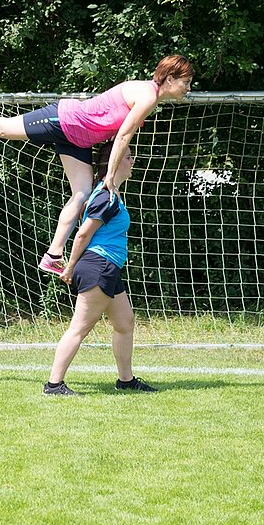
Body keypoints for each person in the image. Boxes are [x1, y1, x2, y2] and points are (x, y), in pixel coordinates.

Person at [0, 55, 194, 275]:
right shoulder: (147, 95)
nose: (188, 88)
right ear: (169, 79)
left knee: (81, 195)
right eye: (186, 82)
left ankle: (53, 256)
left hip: (79, 141)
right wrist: (107, 178)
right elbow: (123, 136)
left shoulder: (150, 97)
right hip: (65, 120)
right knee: (1, 129)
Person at [42, 141, 156, 396]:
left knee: (125, 323)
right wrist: (70, 267)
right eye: (127, 157)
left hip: (108, 267)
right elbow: (83, 235)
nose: (132, 161)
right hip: (98, 266)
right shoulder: (106, 196)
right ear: (114, 162)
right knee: (79, 328)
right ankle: (53, 385)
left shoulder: (109, 193)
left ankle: (126, 380)